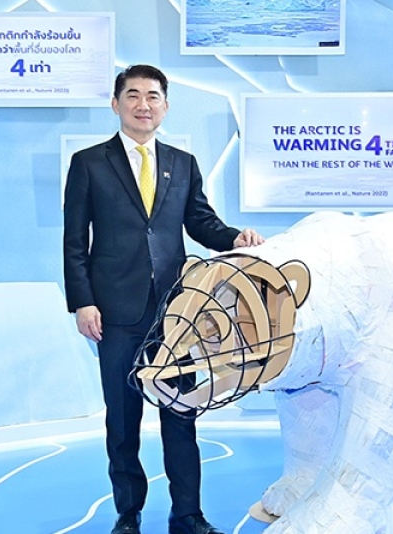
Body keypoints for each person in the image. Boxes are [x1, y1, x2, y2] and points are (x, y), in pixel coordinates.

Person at [63, 64, 263, 534]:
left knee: (181, 415)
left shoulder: (182, 163)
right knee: (123, 420)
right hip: (115, 313)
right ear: (116, 104)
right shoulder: (89, 163)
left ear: (166, 106)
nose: (143, 105)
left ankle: (187, 515)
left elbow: (201, 222)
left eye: (152, 96)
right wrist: (83, 302)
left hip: (177, 315)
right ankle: (128, 515)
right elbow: (74, 242)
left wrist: (235, 238)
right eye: (133, 95)